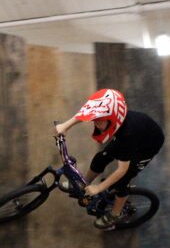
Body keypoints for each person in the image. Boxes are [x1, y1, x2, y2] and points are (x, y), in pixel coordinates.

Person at [54, 88, 164, 230]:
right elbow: (86, 113)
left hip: (146, 146)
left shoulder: (127, 136)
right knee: (101, 158)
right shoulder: (116, 122)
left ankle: (115, 214)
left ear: (113, 120)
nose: (95, 124)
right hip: (135, 135)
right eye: (95, 121)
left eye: (99, 121)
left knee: (121, 182)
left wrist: (98, 188)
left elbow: (121, 170)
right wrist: (65, 126)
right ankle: (84, 184)